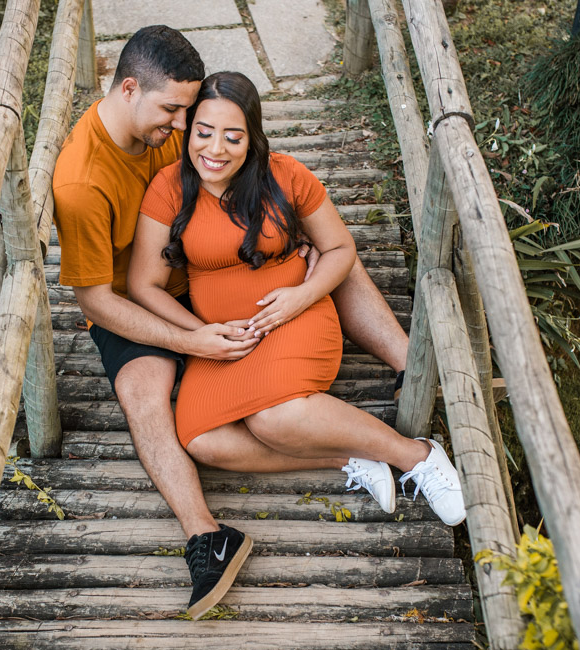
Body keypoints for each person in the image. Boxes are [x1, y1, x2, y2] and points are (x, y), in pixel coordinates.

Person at [52, 27, 424, 620]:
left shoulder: (174, 129)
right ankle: (207, 536)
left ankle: (411, 364)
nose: (181, 128)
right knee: (146, 401)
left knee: (321, 252)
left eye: (187, 114)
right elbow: (97, 301)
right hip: (142, 304)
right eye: (175, 112)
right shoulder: (81, 183)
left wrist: (291, 256)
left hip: (217, 269)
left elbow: (226, 141)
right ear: (128, 90)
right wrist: (189, 338)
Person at [129, 71, 465, 572]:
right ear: (188, 129)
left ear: (252, 138)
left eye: (232, 135)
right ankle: (346, 458)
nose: (214, 149)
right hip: (224, 340)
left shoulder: (285, 176)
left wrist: (300, 296)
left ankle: (413, 454)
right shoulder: (169, 188)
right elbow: (144, 285)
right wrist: (196, 336)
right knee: (202, 439)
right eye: (203, 131)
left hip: (294, 320)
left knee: (273, 417)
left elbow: (339, 249)